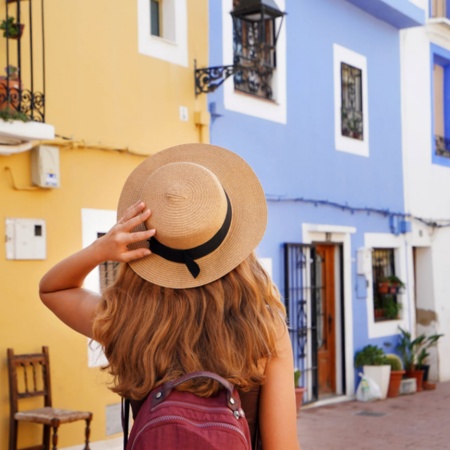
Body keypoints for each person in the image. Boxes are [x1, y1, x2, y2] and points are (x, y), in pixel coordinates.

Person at [39, 143, 300, 450]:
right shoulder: (264, 327)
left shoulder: (124, 320)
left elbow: (53, 289)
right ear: (236, 248)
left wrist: (102, 249)